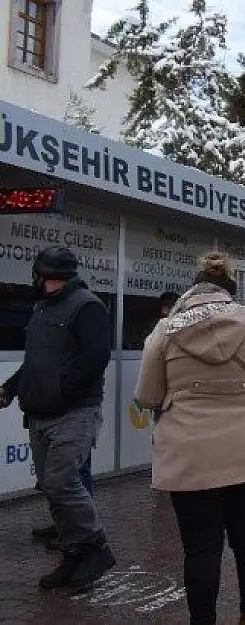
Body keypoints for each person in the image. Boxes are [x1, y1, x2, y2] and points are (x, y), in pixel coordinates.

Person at [134, 252, 245, 625]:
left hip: (190, 453)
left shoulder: (166, 329)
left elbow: (148, 394)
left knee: (201, 549)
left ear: (194, 287)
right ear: (229, 288)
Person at [0, 246, 115, 590]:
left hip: (73, 413)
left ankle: (95, 547)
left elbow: (96, 358)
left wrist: (61, 391)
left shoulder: (86, 306)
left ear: (44, 275)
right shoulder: (42, 308)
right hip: (40, 414)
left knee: (63, 483)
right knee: (51, 487)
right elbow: (36, 363)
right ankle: (73, 555)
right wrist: (10, 388)